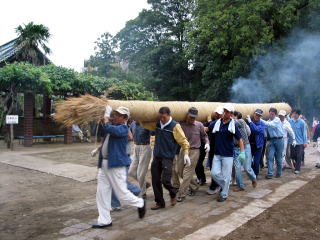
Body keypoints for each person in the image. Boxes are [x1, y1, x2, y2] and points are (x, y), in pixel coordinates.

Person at [93, 106, 146, 228]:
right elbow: (104, 135)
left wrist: (106, 117)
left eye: (119, 115)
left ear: (125, 118)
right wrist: (98, 149)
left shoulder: (123, 128)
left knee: (122, 193)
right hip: (104, 163)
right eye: (115, 114)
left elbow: (108, 128)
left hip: (116, 165)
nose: (115, 116)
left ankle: (140, 202)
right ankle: (104, 220)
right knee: (101, 192)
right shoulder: (113, 127)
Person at [150, 107, 190, 210]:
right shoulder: (157, 124)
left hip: (167, 157)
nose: (162, 119)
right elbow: (145, 124)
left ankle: (173, 194)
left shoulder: (175, 126)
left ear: (168, 115)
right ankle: (159, 202)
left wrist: (186, 153)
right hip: (157, 156)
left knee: (165, 181)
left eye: (163, 117)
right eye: (160, 117)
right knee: (155, 180)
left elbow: (183, 141)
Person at [173, 107, 209, 202]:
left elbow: (204, 136)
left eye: (194, 117)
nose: (192, 119)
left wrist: (207, 143)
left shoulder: (199, 125)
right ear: (187, 116)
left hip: (194, 151)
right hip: (183, 150)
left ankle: (182, 194)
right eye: (190, 117)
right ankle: (194, 186)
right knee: (179, 171)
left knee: (187, 173)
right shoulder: (181, 125)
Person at [211, 105, 245, 202]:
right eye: (224, 111)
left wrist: (242, 152)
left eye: (227, 111)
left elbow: (240, 139)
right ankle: (225, 185)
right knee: (214, 173)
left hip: (228, 154)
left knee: (226, 175)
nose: (225, 113)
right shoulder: (217, 123)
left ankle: (224, 194)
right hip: (217, 153)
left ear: (231, 114)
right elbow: (208, 128)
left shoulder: (233, 124)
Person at [233, 111, 257, 191]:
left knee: (247, 168)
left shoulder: (241, 121)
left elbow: (249, 133)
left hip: (245, 146)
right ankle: (240, 186)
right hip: (235, 148)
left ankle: (253, 178)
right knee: (237, 169)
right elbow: (249, 133)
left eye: (232, 115)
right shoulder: (231, 125)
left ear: (235, 116)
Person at [129, 121, 152, 198]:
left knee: (140, 173)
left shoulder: (146, 123)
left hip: (145, 147)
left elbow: (154, 132)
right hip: (135, 147)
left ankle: (143, 192)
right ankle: (145, 184)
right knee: (131, 171)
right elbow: (130, 135)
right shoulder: (133, 124)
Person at [204, 106, 224, 195]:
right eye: (216, 113)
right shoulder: (222, 122)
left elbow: (207, 129)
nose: (217, 115)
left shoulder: (215, 123)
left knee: (214, 169)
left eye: (218, 113)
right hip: (216, 148)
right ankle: (219, 185)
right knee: (218, 169)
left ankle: (215, 186)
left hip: (217, 149)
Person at [262, 108, 284, 179]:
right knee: (269, 157)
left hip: (279, 140)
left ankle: (279, 172)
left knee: (279, 158)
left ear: (275, 114)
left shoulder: (277, 120)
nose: (271, 115)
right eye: (270, 114)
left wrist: (260, 119)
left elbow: (271, 125)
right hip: (271, 140)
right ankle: (270, 173)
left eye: (272, 114)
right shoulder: (267, 121)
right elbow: (264, 130)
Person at [247, 109, 266, 177]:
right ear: (254, 114)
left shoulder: (263, 124)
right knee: (248, 161)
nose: (257, 116)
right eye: (256, 114)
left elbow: (256, 130)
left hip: (258, 146)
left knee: (256, 161)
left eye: (259, 115)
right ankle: (252, 172)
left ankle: (255, 174)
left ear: (260, 116)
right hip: (250, 145)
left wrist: (250, 122)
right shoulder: (249, 122)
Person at [289, 109, 308, 174]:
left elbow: (304, 132)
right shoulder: (290, 121)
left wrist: (305, 142)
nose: (294, 115)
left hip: (300, 142)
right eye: (293, 113)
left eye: (296, 114)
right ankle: (296, 163)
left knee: (299, 155)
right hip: (292, 142)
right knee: (292, 155)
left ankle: (297, 169)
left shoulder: (302, 122)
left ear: (298, 115)